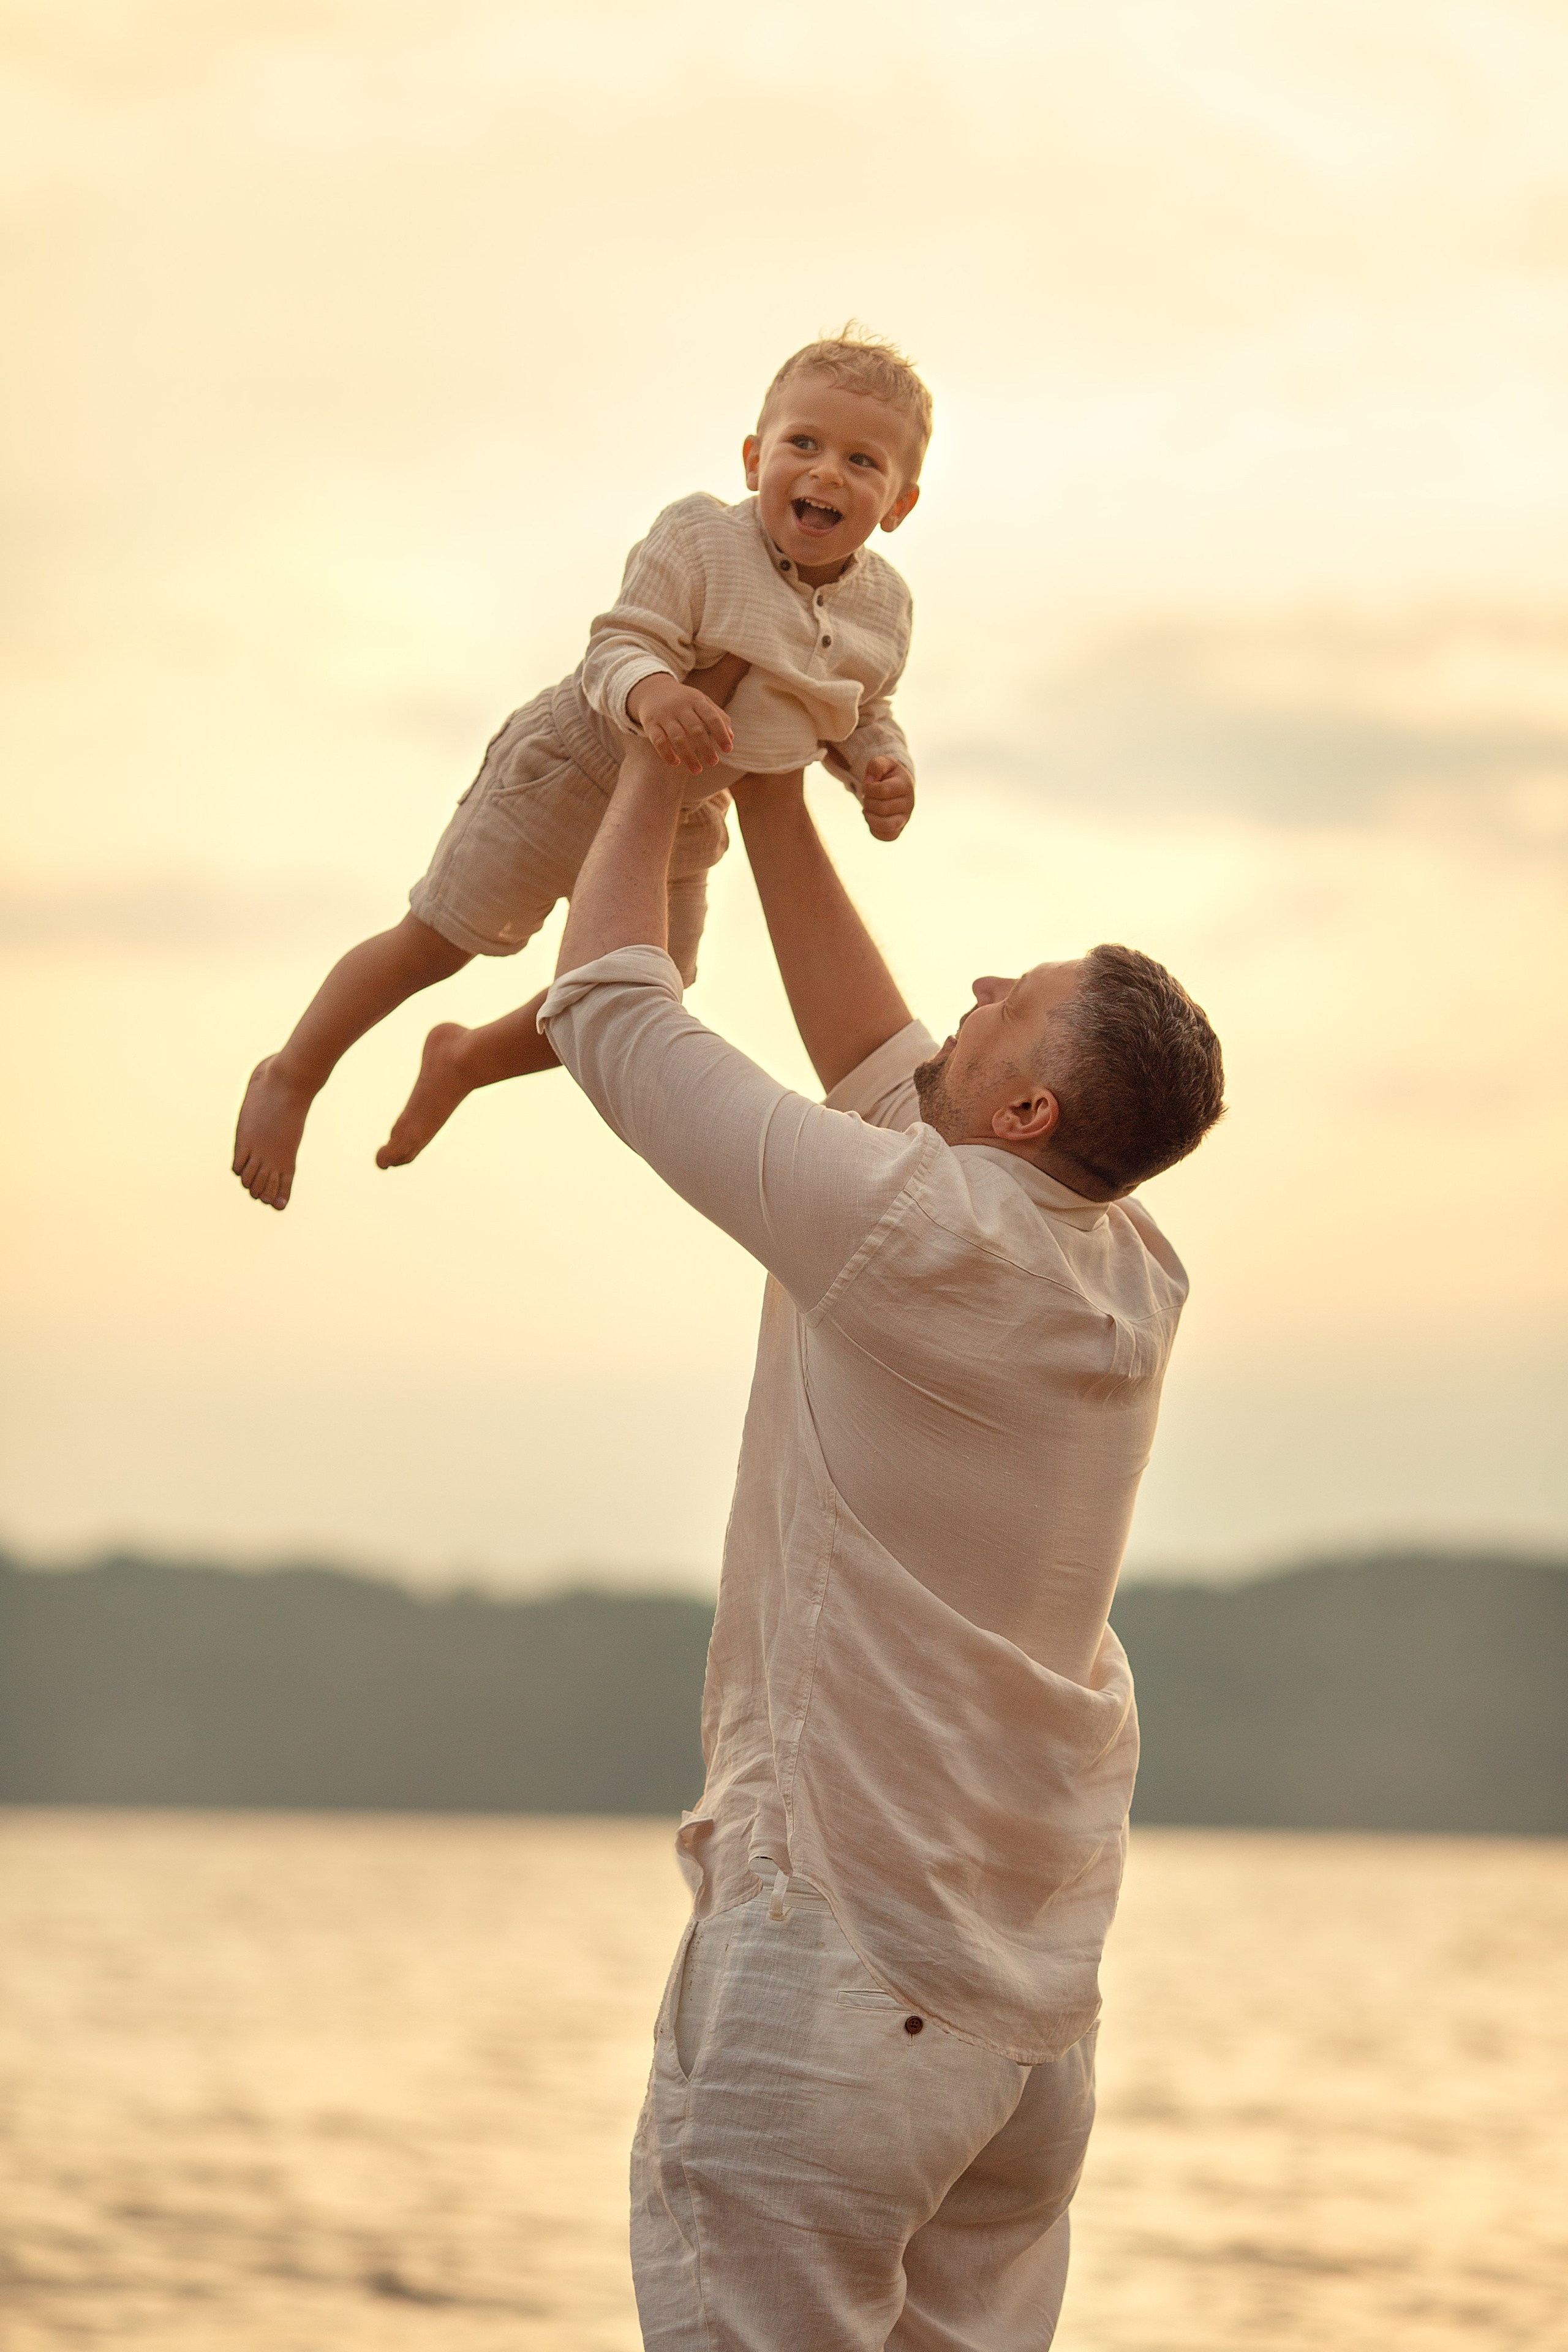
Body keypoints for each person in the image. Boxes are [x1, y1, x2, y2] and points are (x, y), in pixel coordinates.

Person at [536, 744, 1226, 2348]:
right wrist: (771, 784)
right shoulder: (1129, 1267)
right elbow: (882, 1068)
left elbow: (606, 1011)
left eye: (1011, 998)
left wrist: (655, 755)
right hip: (1018, 2030)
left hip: (838, 1983)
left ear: (1030, 1105)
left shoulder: (910, 1236)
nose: (970, 988)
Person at [230, 328, 929, 1210]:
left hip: (688, 816)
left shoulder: (885, 609)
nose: (827, 473)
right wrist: (653, 697)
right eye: (803, 444)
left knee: (641, 993)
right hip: (573, 766)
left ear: (898, 504)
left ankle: (466, 1059)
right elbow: (619, 644)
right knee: (436, 942)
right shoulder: (702, 540)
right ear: (755, 459)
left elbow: (860, 709)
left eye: (862, 461)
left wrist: (881, 768)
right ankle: (293, 1073)